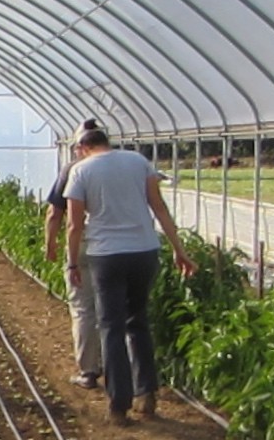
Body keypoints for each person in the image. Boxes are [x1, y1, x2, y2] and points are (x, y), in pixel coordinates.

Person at [64, 128, 195, 423]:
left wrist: (72, 263)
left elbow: (74, 225)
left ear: (84, 146)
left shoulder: (81, 171)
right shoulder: (138, 162)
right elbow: (158, 207)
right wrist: (179, 250)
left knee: (110, 326)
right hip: (144, 252)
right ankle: (147, 394)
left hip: (106, 255)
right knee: (137, 322)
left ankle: (119, 404)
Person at [43, 119, 104, 390]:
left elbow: (55, 213)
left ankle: (89, 370)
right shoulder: (119, 165)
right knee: (110, 308)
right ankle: (114, 367)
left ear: (82, 145)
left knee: (82, 308)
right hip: (113, 245)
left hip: (82, 242)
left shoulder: (71, 170)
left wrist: (51, 245)